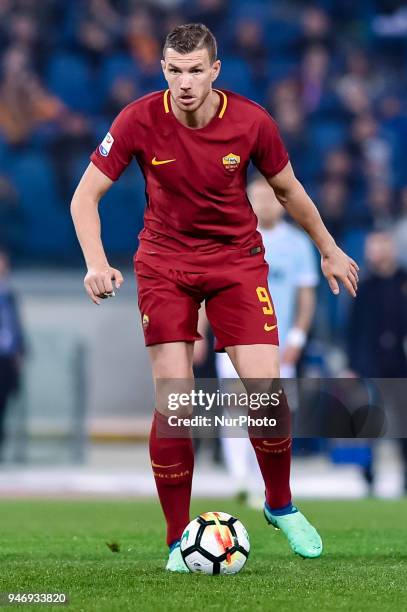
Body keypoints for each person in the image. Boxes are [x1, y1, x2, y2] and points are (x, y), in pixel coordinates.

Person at [71, 23, 359, 572]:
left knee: (267, 394)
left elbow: (289, 190)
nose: (184, 83)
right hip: (164, 264)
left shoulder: (252, 121)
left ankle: (280, 503)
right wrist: (96, 262)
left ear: (215, 71)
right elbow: (85, 197)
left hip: (235, 260)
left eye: (196, 70)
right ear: (163, 71)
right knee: (176, 403)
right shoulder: (137, 119)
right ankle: (179, 540)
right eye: (175, 71)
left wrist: (327, 247)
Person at [218, 175, 318, 504]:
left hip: (277, 346)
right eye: (256, 198)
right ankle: (239, 481)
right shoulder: (228, 239)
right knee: (234, 411)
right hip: (233, 340)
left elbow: (306, 296)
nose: (263, 204)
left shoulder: (298, 244)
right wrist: (201, 329)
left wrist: (298, 338)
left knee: (271, 414)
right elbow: (209, 288)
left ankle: (273, 485)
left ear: (282, 202)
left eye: (270, 198)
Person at [347, 230, 407, 493]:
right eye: (373, 246)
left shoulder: (403, 282)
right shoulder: (363, 286)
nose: (378, 251)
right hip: (370, 366)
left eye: (383, 245)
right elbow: (352, 329)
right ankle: (368, 477)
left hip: (400, 364)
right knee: (369, 424)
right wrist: (351, 364)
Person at [0, 248, 25, 458]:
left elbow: (15, 326)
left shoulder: (9, 293)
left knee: (4, 404)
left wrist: (20, 351)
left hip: (6, 358)